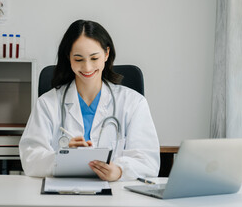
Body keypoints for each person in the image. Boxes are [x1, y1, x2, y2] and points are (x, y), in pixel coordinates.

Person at [19, 20, 160, 181]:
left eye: (94, 58)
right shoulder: (47, 103)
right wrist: (61, 158)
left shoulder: (133, 103)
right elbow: (30, 157)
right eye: (78, 59)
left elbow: (148, 161)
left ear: (106, 54)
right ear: (68, 57)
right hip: (63, 195)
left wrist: (120, 171)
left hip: (116, 197)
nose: (87, 68)